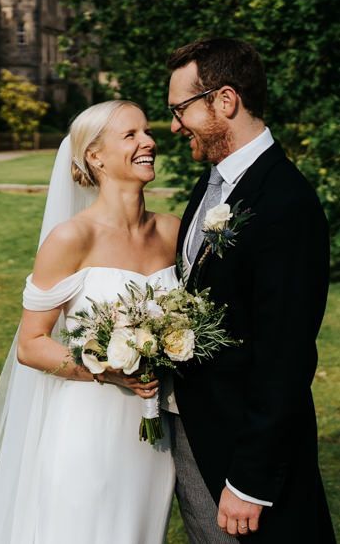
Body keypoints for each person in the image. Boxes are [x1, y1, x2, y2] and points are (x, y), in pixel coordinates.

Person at [0, 100, 179, 543]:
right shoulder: (72, 237)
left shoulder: (172, 232)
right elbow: (30, 344)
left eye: (146, 132)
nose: (149, 142)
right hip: (88, 429)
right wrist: (102, 369)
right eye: (130, 136)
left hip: (153, 434)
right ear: (95, 156)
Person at [166, 37, 334, 543]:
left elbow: (284, 356)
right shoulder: (212, 185)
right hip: (202, 433)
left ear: (225, 101)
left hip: (248, 458)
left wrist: (251, 481)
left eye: (180, 109)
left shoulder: (285, 202)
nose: (174, 125)